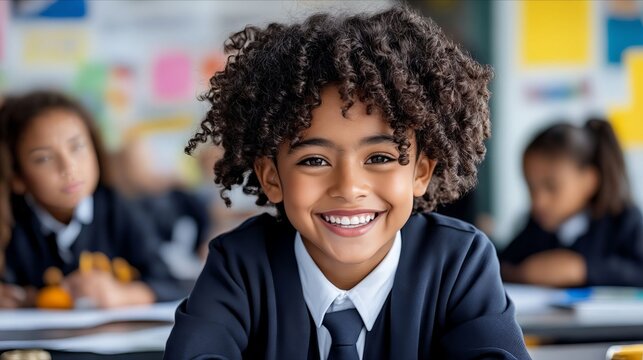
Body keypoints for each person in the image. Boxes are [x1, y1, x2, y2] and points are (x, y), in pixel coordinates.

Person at [165, 6, 530, 359]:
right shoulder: (240, 266)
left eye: (380, 158)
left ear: (420, 171)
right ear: (272, 177)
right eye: (314, 160)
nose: (349, 187)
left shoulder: (458, 262)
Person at [0, 90, 183, 308]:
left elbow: (172, 284)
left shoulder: (118, 208)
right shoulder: (10, 224)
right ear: (17, 177)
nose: (69, 168)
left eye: (77, 147)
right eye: (44, 158)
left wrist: (123, 296)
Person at [500, 118, 643, 288]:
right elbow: (502, 264)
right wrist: (523, 274)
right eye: (531, 187)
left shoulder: (624, 219)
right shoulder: (536, 226)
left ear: (589, 181)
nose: (538, 201)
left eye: (551, 187)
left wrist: (582, 270)